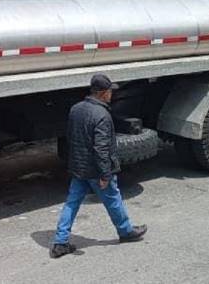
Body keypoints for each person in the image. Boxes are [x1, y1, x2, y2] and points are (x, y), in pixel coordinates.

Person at [51, 74, 146, 258]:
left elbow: (71, 138)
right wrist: (105, 174)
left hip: (79, 168)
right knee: (113, 198)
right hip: (95, 169)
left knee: (71, 203)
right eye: (110, 91)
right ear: (103, 93)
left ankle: (60, 242)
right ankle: (126, 231)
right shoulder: (102, 115)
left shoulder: (76, 109)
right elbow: (101, 148)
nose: (112, 94)